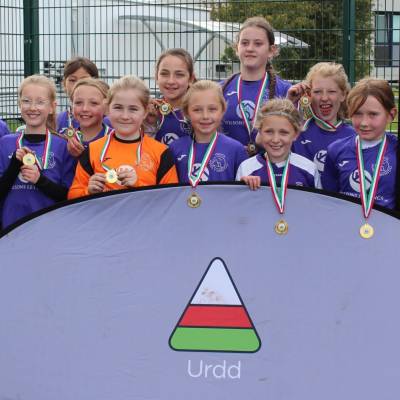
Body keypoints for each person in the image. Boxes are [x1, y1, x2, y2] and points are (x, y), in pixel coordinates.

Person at [68, 75, 178, 199]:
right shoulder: (93, 150)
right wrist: (88, 191)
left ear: (145, 112)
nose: (125, 116)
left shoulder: (161, 152)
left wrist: (139, 186)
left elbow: (170, 199)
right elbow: (72, 196)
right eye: (118, 108)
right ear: (108, 109)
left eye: (133, 109)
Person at [0, 75, 75, 228]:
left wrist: (39, 180)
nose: (33, 107)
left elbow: (68, 196)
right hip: (11, 228)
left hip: (48, 229)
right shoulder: (5, 143)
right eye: (26, 101)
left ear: (52, 107)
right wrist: (13, 166)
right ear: (19, 104)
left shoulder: (63, 146)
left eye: (40, 102)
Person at [321, 78, 397, 210]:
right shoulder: (335, 150)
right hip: (345, 227)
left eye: (373, 114)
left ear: (391, 115)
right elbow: (328, 202)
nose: (364, 123)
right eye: (357, 114)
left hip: (388, 228)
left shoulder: (396, 150)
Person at [220, 16, 292, 155]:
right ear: (237, 48)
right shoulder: (220, 90)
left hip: (267, 169)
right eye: (245, 43)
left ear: (271, 50)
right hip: (228, 168)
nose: (250, 49)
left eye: (258, 44)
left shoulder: (285, 91)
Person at [169, 80, 247, 184]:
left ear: (223, 111)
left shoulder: (236, 149)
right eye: (197, 110)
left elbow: (243, 191)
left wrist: (248, 181)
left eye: (212, 109)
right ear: (187, 113)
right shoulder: (175, 148)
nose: (205, 116)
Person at [236, 98, 320, 189]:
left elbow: (318, 202)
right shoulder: (246, 168)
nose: (275, 140)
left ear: (296, 134)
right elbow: (239, 201)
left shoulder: (309, 169)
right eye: (269, 132)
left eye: (283, 132)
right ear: (260, 132)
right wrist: (243, 187)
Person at [291, 62, 356, 173]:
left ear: (343, 95)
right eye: (317, 92)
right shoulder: (296, 132)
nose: (324, 98)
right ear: (308, 95)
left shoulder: (354, 137)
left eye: (331, 91)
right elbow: (262, 141)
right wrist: (290, 103)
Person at [145, 48, 195, 145]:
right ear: (156, 77)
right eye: (164, 74)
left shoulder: (198, 112)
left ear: (190, 79)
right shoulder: (148, 112)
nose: (171, 81)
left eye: (179, 75)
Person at [57, 56, 111, 134]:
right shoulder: (58, 121)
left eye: (84, 80)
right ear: (64, 84)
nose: (78, 84)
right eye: (72, 80)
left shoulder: (110, 121)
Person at [66, 78, 111, 158]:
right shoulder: (66, 140)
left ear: (106, 107)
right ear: (71, 106)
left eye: (94, 103)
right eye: (78, 103)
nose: (85, 109)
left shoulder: (114, 138)